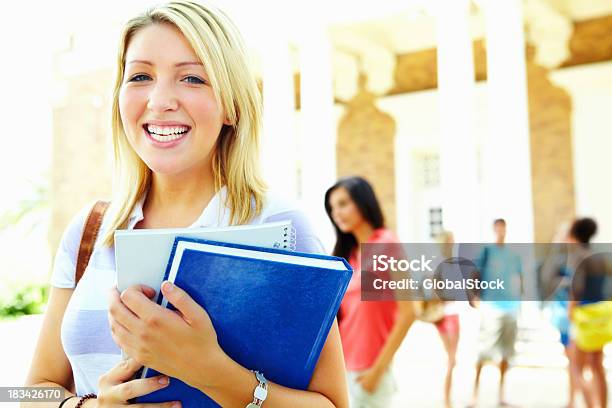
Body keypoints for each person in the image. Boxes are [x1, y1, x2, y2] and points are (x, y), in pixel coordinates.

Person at [24, 2, 349, 407]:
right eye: (140, 75)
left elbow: (332, 404)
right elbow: (29, 390)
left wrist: (210, 371)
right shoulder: (91, 229)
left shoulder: (280, 228)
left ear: (231, 105)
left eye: (192, 78)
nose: (160, 101)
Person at [324, 176, 415, 408]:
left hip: (369, 373)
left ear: (363, 202)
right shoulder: (348, 254)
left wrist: (377, 371)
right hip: (342, 370)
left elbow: (408, 312)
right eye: (332, 208)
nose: (337, 213)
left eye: (343, 204)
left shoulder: (388, 244)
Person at [470, 218, 523, 407]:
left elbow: (520, 279)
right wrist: (473, 297)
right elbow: (474, 274)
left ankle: (501, 394)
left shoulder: (513, 255)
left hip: (510, 308)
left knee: (506, 354)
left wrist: (520, 304)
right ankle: (474, 395)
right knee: (483, 352)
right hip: (491, 307)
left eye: (503, 228)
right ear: (494, 229)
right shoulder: (486, 252)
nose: (501, 231)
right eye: (498, 228)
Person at [567, 217, 611, 408]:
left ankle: (590, 405)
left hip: (584, 315)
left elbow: (577, 287)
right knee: (597, 365)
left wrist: (571, 307)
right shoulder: (599, 256)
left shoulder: (578, 256)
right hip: (599, 313)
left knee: (576, 366)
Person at [433, 231, 461, 408]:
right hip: (447, 315)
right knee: (452, 359)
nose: (453, 243)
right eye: (451, 240)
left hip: (445, 315)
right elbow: (440, 291)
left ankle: (447, 398)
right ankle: (447, 401)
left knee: (451, 359)